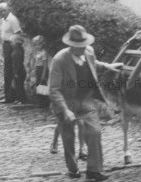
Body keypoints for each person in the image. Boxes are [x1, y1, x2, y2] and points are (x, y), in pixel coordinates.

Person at [49, 25, 124, 181]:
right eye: (78, 46)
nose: (83, 48)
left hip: (85, 100)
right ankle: (73, 169)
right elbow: (54, 89)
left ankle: (94, 171)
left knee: (95, 132)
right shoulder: (59, 60)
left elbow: (93, 64)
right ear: (70, 46)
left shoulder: (88, 52)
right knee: (68, 139)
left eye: (84, 45)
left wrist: (108, 66)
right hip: (66, 102)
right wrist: (65, 110)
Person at [0, 3, 21, 104]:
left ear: (8, 9)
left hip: (12, 46)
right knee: (7, 71)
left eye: (4, 10)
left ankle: (13, 96)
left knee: (12, 70)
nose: (2, 12)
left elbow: (18, 33)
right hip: (6, 45)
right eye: (1, 10)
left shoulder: (12, 19)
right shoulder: (3, 20)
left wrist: (13, 46)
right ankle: (8, 95)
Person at [10, 33, 27, 104]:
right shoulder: (18, 49)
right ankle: (19, 98)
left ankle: (21, 100)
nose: (11, 43)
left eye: (12, 42)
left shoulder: (17, 51)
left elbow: (18, 63)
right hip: (18, 69)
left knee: (19, 86)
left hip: (19, 70)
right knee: (17, 85)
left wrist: (16, 72)